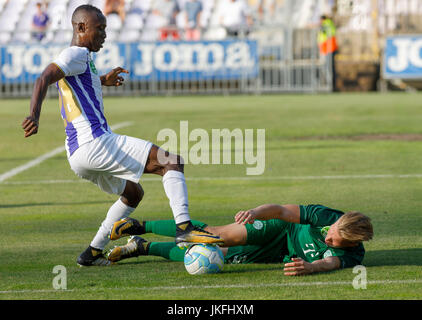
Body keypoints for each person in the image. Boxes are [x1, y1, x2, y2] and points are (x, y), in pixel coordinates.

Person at [21, 4, 222, 267]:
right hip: (95, 143)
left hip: (78, 155)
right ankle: (184, 228)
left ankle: (92, 252)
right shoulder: (74, 54)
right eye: (100, 28)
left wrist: (103, 79)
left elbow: (73, 83)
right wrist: (34, 114)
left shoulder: (81, 59)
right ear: (81, 28)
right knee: (170, 161)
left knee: (133, 193)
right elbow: (43, 77)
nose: (104, 34)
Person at [107, 203, 373, 276]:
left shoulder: (351, 255)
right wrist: (255, 213)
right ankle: (141, 225)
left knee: (216, 257)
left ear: (349, 244)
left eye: (334, 240)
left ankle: (142, 247)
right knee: (215, 237)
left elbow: (329, 264)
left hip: (280, 252)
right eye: (331, 230)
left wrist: (311, 267)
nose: (328, 236)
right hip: (278, 228)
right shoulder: (327, 216)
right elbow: (281, 211)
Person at [318, 15, 338, 91]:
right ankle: (330, 85)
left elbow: (326, 34)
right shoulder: (329, 24)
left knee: (328, 68)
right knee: (328, 68)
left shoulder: (326, 24)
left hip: (328, 50)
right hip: (327, 49)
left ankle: (330, 85)